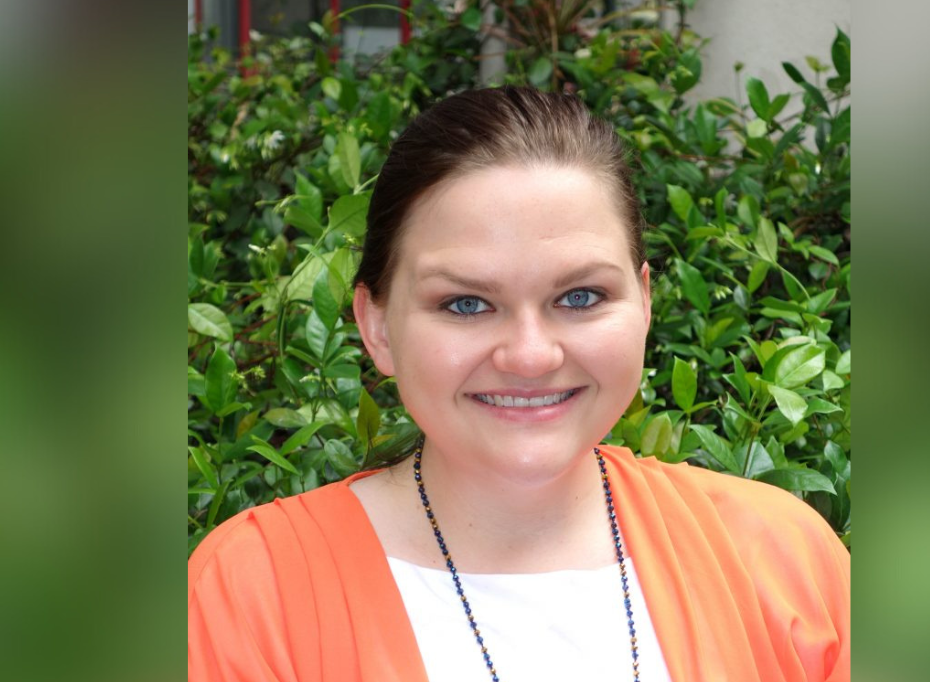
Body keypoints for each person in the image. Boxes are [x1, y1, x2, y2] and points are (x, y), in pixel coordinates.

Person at [188, 86, 850, 682]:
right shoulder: (252, 592)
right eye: (467, 304)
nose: (531, 355)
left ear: (645, 306)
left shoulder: (783, 560)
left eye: (582, 295)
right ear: (378, 326)